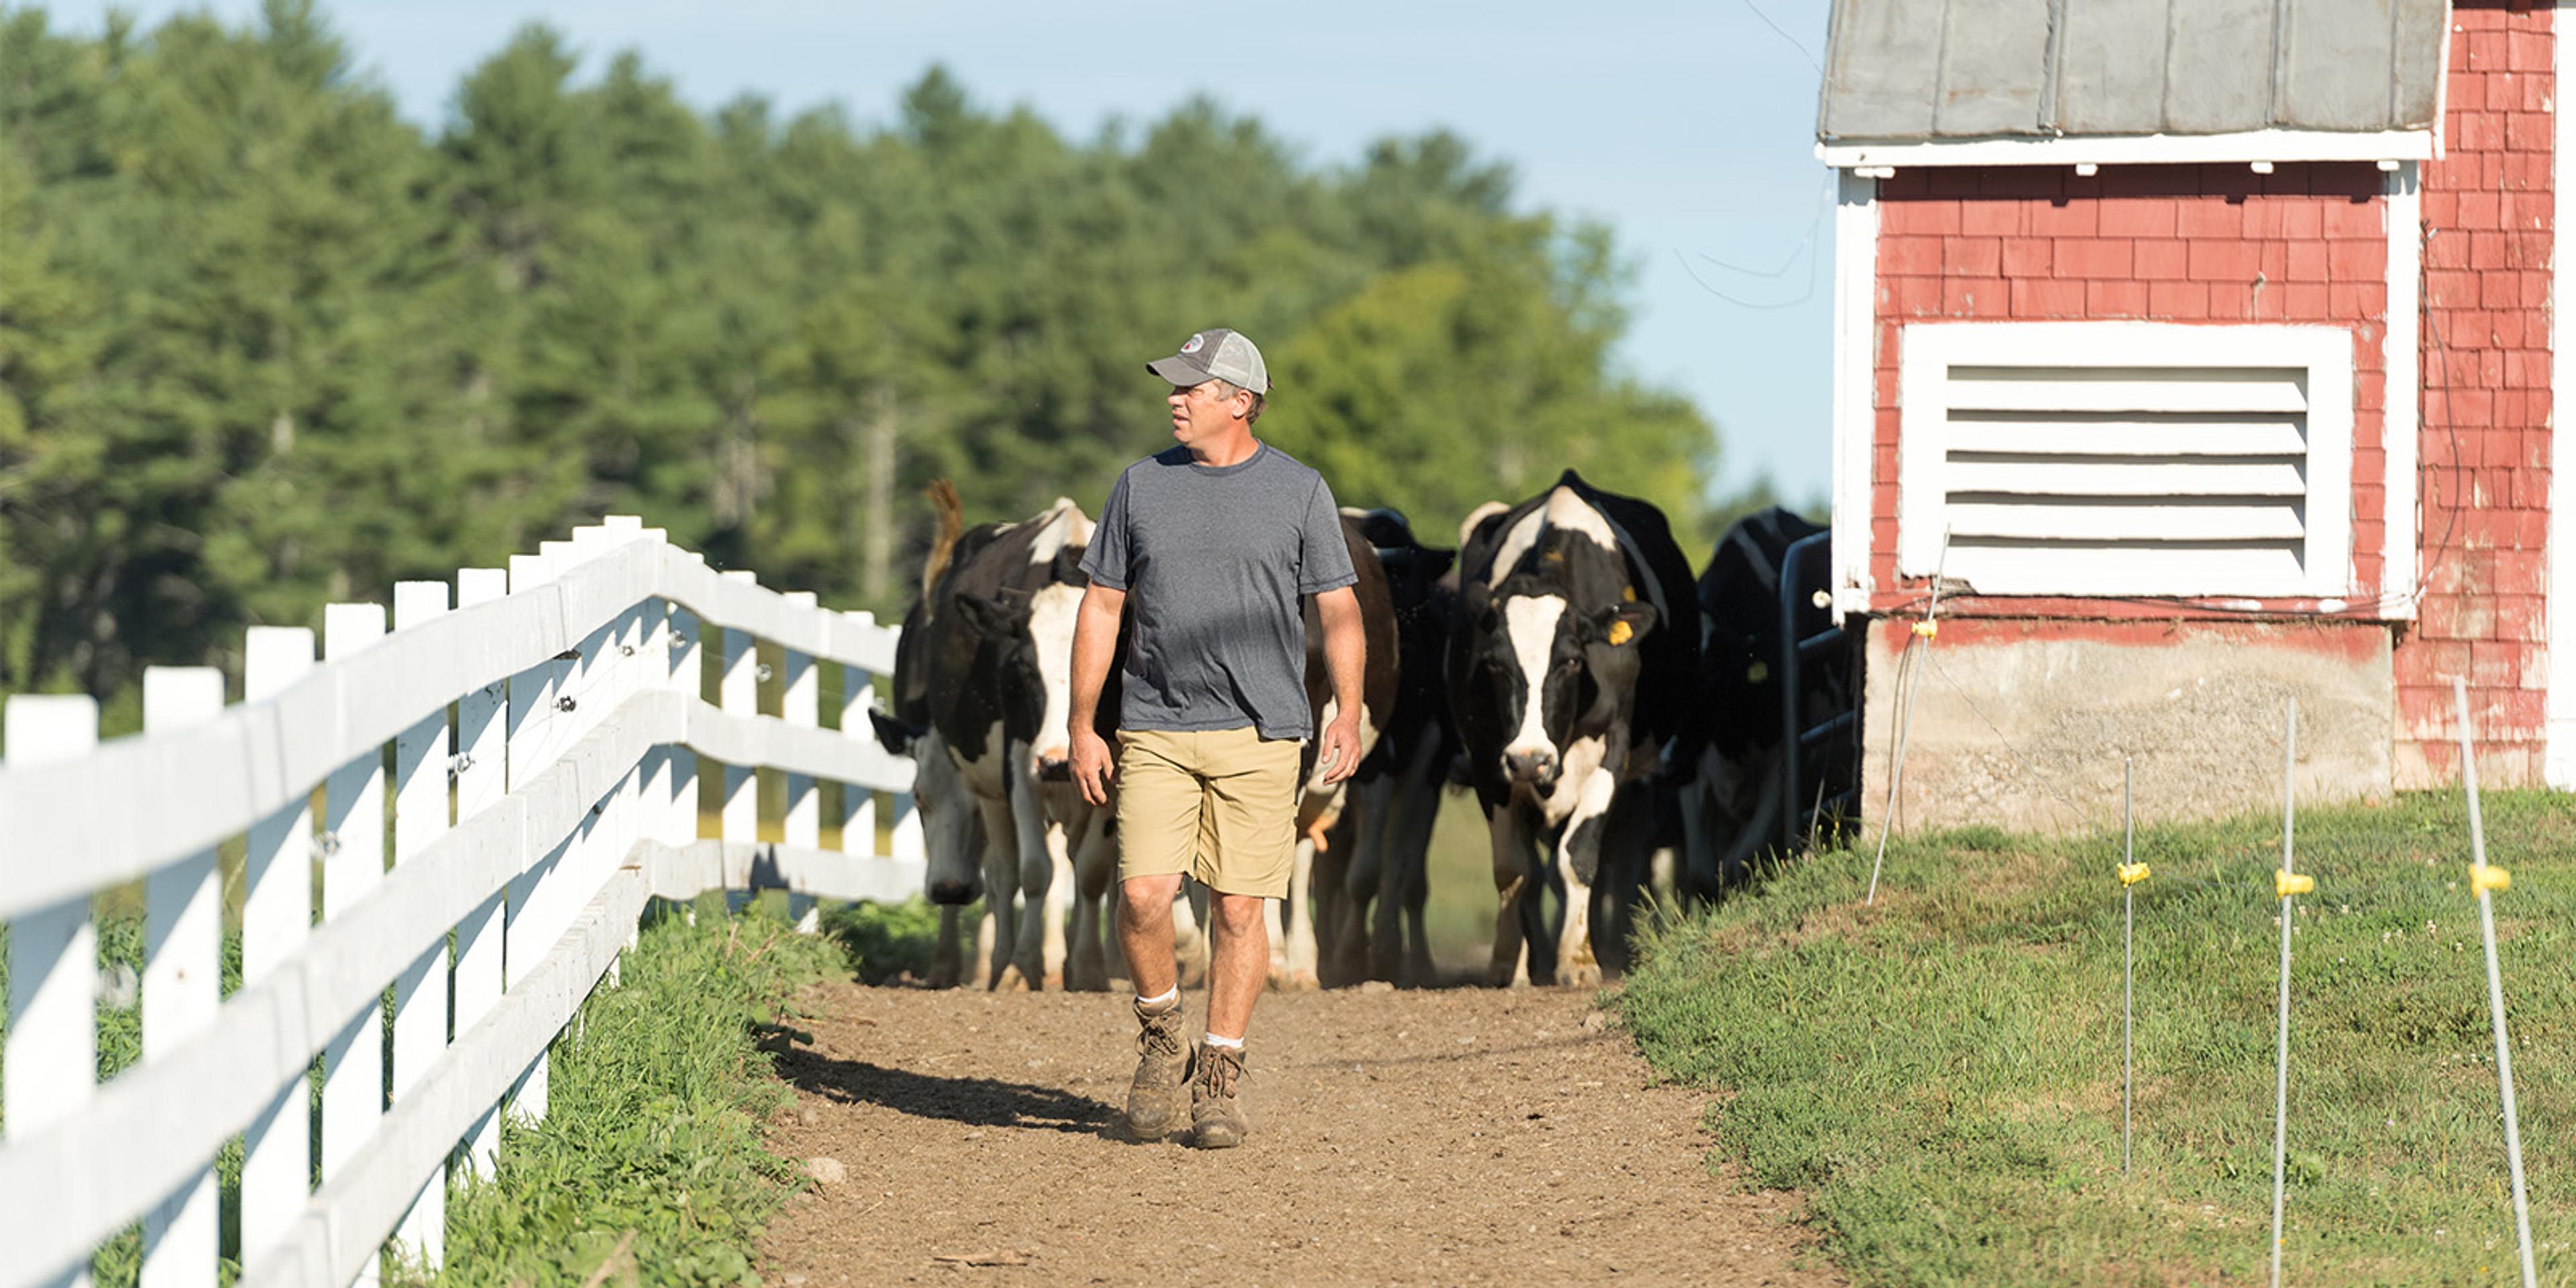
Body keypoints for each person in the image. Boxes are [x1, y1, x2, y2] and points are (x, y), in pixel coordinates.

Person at [1067, 327, 1366, 1148]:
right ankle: (1165, 1039)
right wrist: (1082, 723)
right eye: (1175, 386)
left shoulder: (1300, 491)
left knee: (1239, 909)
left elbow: (1337, 609)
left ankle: (1221, 1075)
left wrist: (1349, 707)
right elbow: (1101, 607)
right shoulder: (1138, 487)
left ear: (1239, 402)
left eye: (1191, 388)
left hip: (1263, 732)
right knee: (1141, 897)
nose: (1175, 398)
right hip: (1156, 723)